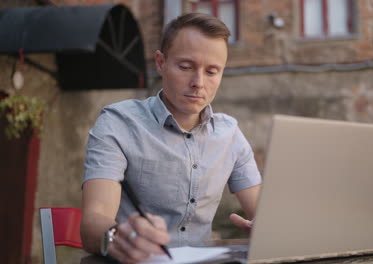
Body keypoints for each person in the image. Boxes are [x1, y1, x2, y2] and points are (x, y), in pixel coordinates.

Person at [80, 13, 262, 263]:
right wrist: (118, 237)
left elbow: (262, 213)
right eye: (186, 67)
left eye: (212, 71)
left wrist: (268, 230)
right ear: (160, 62)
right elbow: (93, 220)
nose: (198, 82)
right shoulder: (118, 123)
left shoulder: (230, 134)